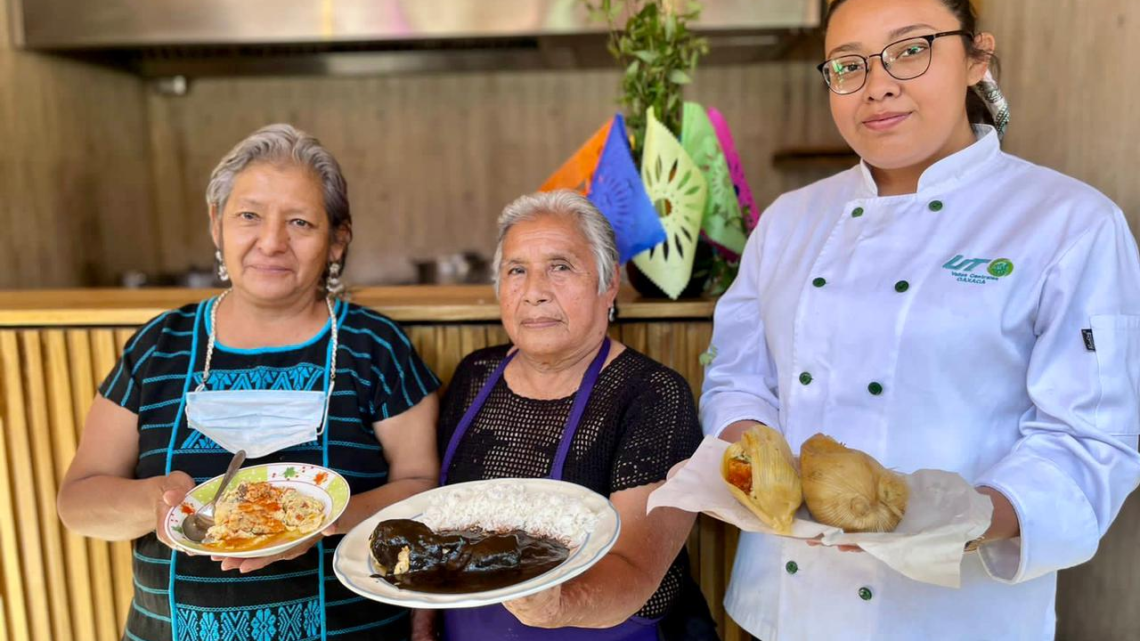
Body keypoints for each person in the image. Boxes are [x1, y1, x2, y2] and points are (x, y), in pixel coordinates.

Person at [699, 0, 1140, 639]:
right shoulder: (789, 220)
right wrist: (759, 462)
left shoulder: (1070, 223)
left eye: (911, 50)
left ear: (976, 56)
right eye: (848, 65)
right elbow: (739, 379)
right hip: (785, 607)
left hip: (957, 613)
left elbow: (1091, 439)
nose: (878, 85)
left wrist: (968, 518)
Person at [57, 123, 441, 641]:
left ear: (337, 240)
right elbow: (78, 501)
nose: (271, 242)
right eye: (249, 216)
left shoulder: (375, 346)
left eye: (301, 222)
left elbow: (424, 490)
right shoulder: (159, 346)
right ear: (217, 225)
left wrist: (326, 516)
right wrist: (158, 500)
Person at [430, 190, 715, 641]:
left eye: (560, 268)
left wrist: (557, 605)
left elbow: (636, 570)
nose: (535, 293)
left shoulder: (652, 394)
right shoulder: (474, 376)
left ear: (609, 285)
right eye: (517, 271)